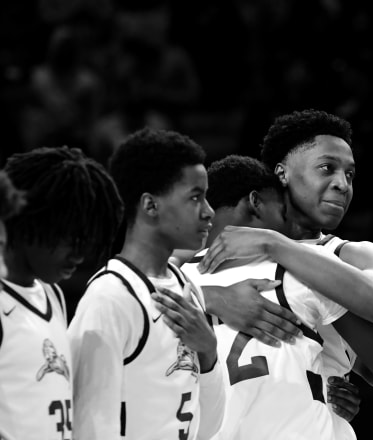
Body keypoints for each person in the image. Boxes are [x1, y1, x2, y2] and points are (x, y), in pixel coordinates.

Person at [198, 109, 373, 438]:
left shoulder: (351, 254)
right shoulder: (229, 248)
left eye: (350, 175)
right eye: (327, 168)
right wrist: (211, 297)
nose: (342, 184)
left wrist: (330, 378)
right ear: (282, 173)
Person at [67, 128, 222, 439]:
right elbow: (90, 429)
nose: (209, 212)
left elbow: (209, 428)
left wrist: (209, 352)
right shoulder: (110, 298)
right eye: (195, 197)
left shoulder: (186, 288)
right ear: (150, 205)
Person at [0, 147, 123, 440]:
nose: (80, 254)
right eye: (71, 238)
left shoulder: (52, 294)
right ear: (29, 220)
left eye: (87, 239)